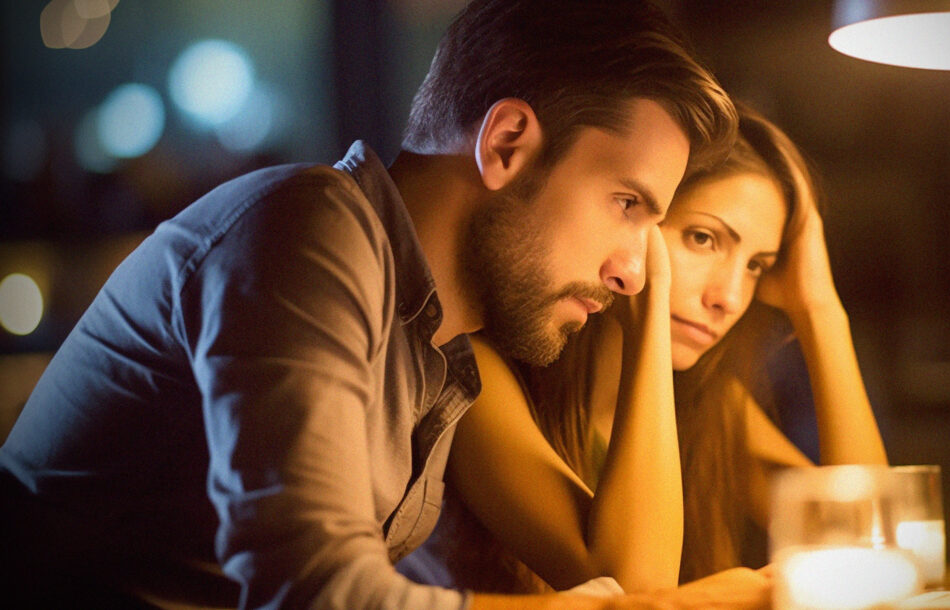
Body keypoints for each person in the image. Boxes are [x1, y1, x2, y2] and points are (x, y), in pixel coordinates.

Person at [0, 1, 779, 607]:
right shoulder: (309, 227)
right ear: (506, 142)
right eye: (626, 204)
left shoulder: (436, 352)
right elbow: (316, 592)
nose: (638, 276)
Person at [403, 101, 888, 594]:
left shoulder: (707, 402)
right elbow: (630, 590)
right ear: (633, 216)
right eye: (703, 239)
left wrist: (820, 308)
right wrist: (649, 304)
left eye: (757, 265)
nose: (730, 298)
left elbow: (872, 544)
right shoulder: (477, 371)